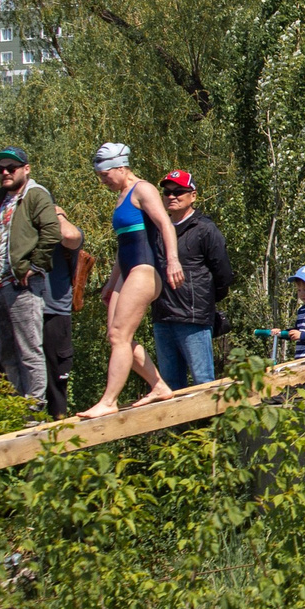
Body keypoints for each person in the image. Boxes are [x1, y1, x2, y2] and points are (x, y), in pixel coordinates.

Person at [81, 143, 184, 419]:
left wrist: (173, 260)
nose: (103, 181)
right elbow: (124, 245)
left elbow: (164, 223)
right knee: (115, 336)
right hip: (127, 272)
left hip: (145, 271)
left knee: (120, 336)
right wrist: (111, 282)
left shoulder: (143, 189)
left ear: (121, 167)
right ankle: (159, 385)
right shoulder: (122, 195)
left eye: (105, 175)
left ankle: (109, 400)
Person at [0, 150, 61, 412]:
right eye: (1, 168)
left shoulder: (35, 195)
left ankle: (34, 408)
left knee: (29, 349)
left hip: (23, 286)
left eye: (11, 167)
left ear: (26, 168)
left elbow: (52, 232)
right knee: (7, 352)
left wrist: (34, 266)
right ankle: (19, 407)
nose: (5, 172)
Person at [152, 171, 233, 394]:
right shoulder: (157, 230)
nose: (172, 196)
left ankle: (211, 428)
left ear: (193, 195)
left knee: (203, 382)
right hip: (163, 316)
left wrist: (203, 301)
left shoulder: (205, 229)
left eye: (179, 191)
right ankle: (179, 430)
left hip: (193, 317)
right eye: (167, 192)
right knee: (169, 387)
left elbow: (224, 275)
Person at [39, 209, 85, 418]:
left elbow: (70, 236)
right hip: (27, 312)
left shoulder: (65, 233)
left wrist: (57, 215)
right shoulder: (28, 236)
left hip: (55, 312)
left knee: (56, 384)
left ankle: (59, 438)